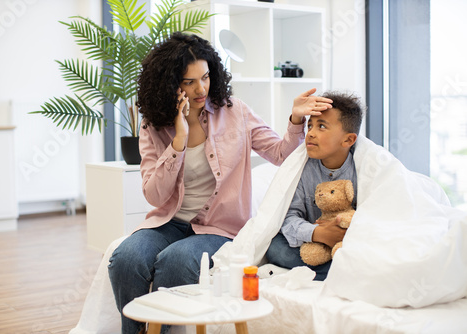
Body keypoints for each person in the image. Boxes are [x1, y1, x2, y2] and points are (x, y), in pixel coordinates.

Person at [107, 32, 332, 334]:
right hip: (169, 221)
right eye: (189, 82)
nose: (201, 88)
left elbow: (280, 154)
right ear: (170, 86)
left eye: (206, 77)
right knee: (126, 257)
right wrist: (179, 139)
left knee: (176, 261)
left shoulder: (235, 111)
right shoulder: (153, 125)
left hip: (219, 227)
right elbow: (154, 194)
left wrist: (294, 120)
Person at [265, 91, 364, 281]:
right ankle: (338, 274)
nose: (310, 133)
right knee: (275, 248)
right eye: (310, 125)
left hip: (347, 242)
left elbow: (373, 216)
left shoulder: (361, 169)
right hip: (311, 242)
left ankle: (332, 272)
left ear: (348, 140)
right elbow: (289, 216)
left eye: (321, 126)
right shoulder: (303, 168)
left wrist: (343, 233)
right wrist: (317, 233)